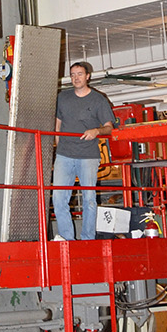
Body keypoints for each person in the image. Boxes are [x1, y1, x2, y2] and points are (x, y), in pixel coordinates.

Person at [52, 62, 115, 241]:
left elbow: (109, 127)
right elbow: (57, 124)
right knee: (58, 197)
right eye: (72, 74)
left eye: (79, 74)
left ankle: (88, 239)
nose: (76, 78)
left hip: (88, 155)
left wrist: (97, 131)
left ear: (88, 76)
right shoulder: (63, 98)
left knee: (89, 199)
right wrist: (59, 146)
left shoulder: (98, 100)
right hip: (64, 155)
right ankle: (66, 239)